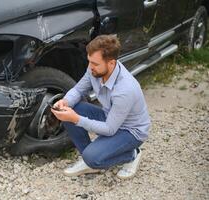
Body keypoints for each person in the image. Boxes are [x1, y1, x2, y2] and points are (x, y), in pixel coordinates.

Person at [51, 34, 151, 179]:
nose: (90, 67)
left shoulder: (125, 89)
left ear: (111, 63)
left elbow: (110, 129)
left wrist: (76, 119)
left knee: (92, 155)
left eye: (95, 64)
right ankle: (89, 161)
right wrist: (65, 102)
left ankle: (132, 154)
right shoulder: (95, 68)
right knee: (72, 108)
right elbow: (78, 90)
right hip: (110, 117)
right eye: (89, 61)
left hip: (130, 131)